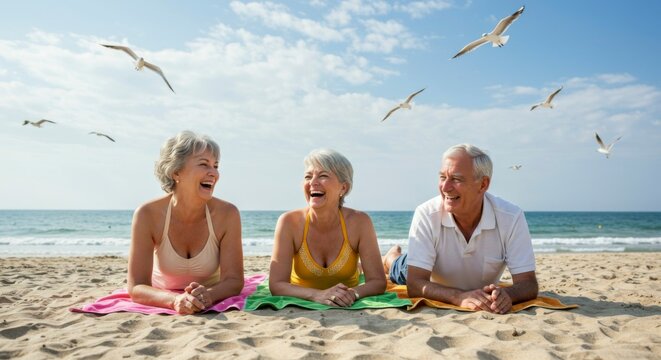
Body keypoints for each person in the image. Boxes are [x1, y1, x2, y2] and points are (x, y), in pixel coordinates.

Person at [384, 144, 538, 314]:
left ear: (483, 184)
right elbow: (414, 284)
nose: (445, 187)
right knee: (399, 268)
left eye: (456, 179)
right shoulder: (426, 214)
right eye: (443, 177)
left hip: (442, 268)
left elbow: (528, 283)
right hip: (425, 270)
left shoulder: (511, 217)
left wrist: (507, 295)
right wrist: (459, 297)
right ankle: (391, 257)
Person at [127, 130, 244, 314]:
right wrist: (175, 300)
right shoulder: (147, 214)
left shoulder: (228, 214)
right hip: (164, 295)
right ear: (176, 172)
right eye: (204, 164)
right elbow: (137, 287)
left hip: (210, 292)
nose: (214, 173)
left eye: (216, 165)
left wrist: (209, 295)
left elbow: (234, 281)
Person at [269, 149, 386, 307]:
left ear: (343, 188)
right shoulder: (289, 222)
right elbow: (276, 285)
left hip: (349, 283)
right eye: (308, 176)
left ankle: (388, 258)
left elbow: (378, 282)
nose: (313, 182)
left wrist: (353, 293)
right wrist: (317, 295)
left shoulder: (360, 222)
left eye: (323, 176)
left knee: (364, 269)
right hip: (308, 293)